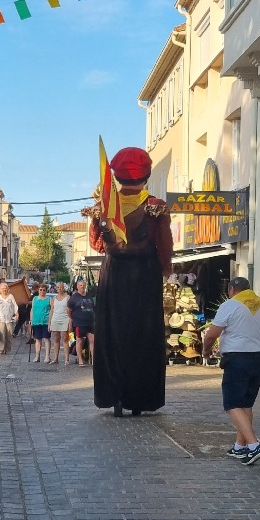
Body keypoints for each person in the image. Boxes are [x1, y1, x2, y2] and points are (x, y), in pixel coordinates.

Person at [88, 146, 173, 417]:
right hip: (145, 274)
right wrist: (166, 268)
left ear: (117, 175)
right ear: (146, 175)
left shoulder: (104, 206)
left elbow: (96, 244)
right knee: (144, 334)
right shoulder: (156, 206)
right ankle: (139, 399)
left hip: (114, 273)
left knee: (112, 333)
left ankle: (114, 396)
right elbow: (164, 244)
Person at [202, 277, 260, 465]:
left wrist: (206, 351)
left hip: (238, 359)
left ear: (231, 289)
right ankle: (240, 446)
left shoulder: (230, 305)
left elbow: (212, 334)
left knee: (232, 404)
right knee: (245, 404)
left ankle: (255, 446)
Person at [67, 280, 95, 367]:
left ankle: (93, 360)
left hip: (90, 322)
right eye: (81, 285)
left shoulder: (89, 296)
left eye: (83, 285)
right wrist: (72, 318)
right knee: (79, 340)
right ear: (77, 287)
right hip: (79, 322)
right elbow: (68, 309)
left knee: (92, 340)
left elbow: (93, 307)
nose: (82, 287)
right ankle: (80, 360)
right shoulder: (74, 297)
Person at [48, 282, 71, 365]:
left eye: (61, 287)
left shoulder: (68, 297)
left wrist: (70, 321)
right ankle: (55, 358)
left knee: (65, 338)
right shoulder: (54, 298)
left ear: (63, 288)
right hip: (55, 319)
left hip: (65, 319)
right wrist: (49, 322)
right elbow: (51, 311)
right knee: (56, 339)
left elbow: (70, 310)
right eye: (58, 287)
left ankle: (66, 359)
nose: (59, 289)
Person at [0, 282, 18, 355]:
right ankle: (0, 349)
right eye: (2, 289)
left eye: (5, 288)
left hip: (9, 319)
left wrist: (17, 314)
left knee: (9, 334)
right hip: (1, 318)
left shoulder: (11, 296)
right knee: (1, 334)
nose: (4, 290)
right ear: (0, 290)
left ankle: (7, 349)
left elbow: (15, 306)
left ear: (8, 289)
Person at [31, 285, 52, 363]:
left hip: (46, 321)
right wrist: (31, 320)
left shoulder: (49, 299)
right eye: (40, 290)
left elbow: (51, 311)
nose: (42, 291)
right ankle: (37, 356)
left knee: (46, 338)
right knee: (38, 339)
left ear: (46, 291)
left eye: (44, 290)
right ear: (38, 290)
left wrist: (50, 322)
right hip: (36, 321)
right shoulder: (35, 299)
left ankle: (47, 356)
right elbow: (32, 309)